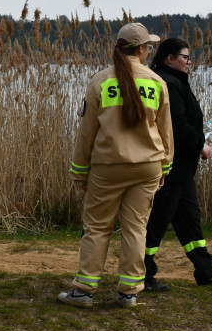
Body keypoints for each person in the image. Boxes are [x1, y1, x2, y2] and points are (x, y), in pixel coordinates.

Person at [59, 22, 173, 309]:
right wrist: (165, 167)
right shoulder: (157, 82)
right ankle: (129, 292)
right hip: (147, 166)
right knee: (136, 228)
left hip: (108, 166)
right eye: (149, 46)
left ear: (117, 48)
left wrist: (79, 171)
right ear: (143, 49)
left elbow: (87, 132)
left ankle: (84, 289)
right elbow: (165, 131)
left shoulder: (100, 81)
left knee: (97, 227)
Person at [143, 38, 212, 290]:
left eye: (190, 58)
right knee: (157, 223)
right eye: (185, 57)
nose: (189, 62)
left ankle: (205, 270)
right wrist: (201, 145)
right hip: (171, 168)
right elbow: (177, 128)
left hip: (181, 170)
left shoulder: (173, 81)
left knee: (189, 221)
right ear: (169, 58)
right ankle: (142, 275)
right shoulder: (168, 84)